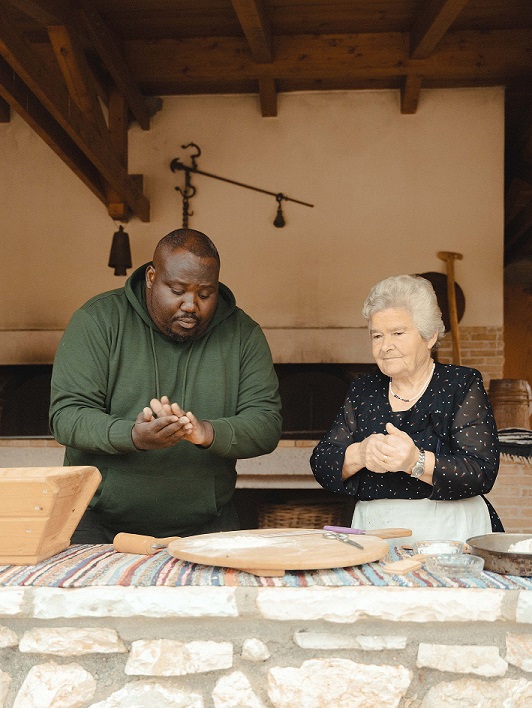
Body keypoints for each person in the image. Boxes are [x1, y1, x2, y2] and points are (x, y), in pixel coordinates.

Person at [50, 228, 282, 543]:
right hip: (97, 526)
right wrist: (131, 435)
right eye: (177, 290)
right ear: (151, 277)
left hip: (208, 527)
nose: (191, 305)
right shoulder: (98, 321)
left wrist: (205, 433)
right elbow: (66, 416)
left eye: (205, 294)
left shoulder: (242, 334)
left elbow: (266, 424)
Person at [310, 274, 502, 544]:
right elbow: (322, 462)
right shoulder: (363, 390)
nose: (385, 346)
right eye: (377, 335)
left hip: (452, 531)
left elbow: (481, 472)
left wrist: (415, 461)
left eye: (398, 333)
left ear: (429, 336)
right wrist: (361, 454)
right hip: (376, 531)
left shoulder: (460, 384)